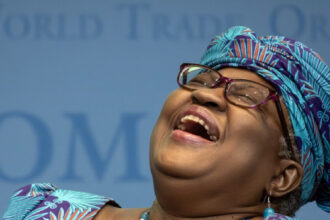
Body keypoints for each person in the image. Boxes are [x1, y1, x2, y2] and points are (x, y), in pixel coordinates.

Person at [3, 26, 329, 220]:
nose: (207, 96)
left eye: (245, 95)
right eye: (201, 81)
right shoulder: (40, 212)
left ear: (282, 176)